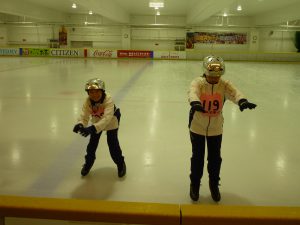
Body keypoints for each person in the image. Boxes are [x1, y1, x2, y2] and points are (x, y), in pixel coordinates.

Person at [188, 55, 256, 202]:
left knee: (215, 159)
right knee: (197, 158)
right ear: (205, 72)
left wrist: (242, 100)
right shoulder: (198, 83)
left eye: (218, 76)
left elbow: (234, 92)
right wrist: (195, 103)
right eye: (212, 76)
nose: (215, 79)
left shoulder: (223, 84)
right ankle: (194, 184)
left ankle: (214, 184)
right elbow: (192, 92)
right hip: (197, 126)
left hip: (216, 128)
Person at [73, 78, 126, 178]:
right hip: (97, 120)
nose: (94, 94)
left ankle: (120, 163)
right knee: (91, 145)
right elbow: (84, 115)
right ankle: (88, 164)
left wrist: (92, 128)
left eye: (97, 91)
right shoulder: (88, 101)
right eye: (91, 92)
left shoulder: (108, 99)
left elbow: (107, 118)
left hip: (112, 120)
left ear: (102, 91)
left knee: (113, 144)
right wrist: (80, 124)